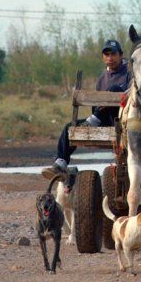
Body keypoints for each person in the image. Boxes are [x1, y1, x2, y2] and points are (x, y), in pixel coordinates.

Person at [42, 39, 131, 178]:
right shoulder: (102, 78)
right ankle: (61, 163)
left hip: (123, 120)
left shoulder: (129, 73)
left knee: (114, 90)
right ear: (103, 57)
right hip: (103, 119)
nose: (110, 58)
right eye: (107, 54)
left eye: (113, 54)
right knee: (69, 128)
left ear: (121, 55)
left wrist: (111, 98)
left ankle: (93, 120)